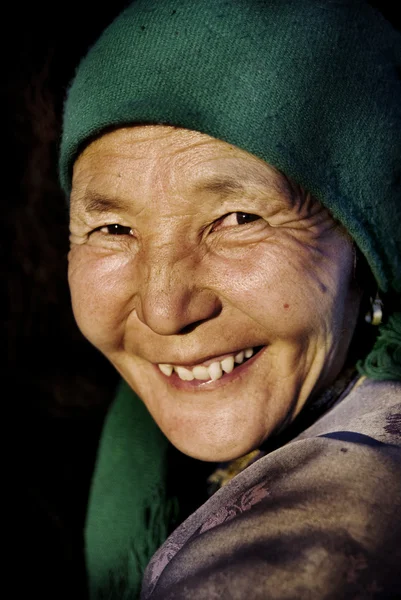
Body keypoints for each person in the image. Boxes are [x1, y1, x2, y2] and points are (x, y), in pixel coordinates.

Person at [58, 0, 401, 598]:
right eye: (113, 229)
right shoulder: (158, 469)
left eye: (237, 218)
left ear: (368, 242)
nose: (165, 309)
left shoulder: (317, 547)